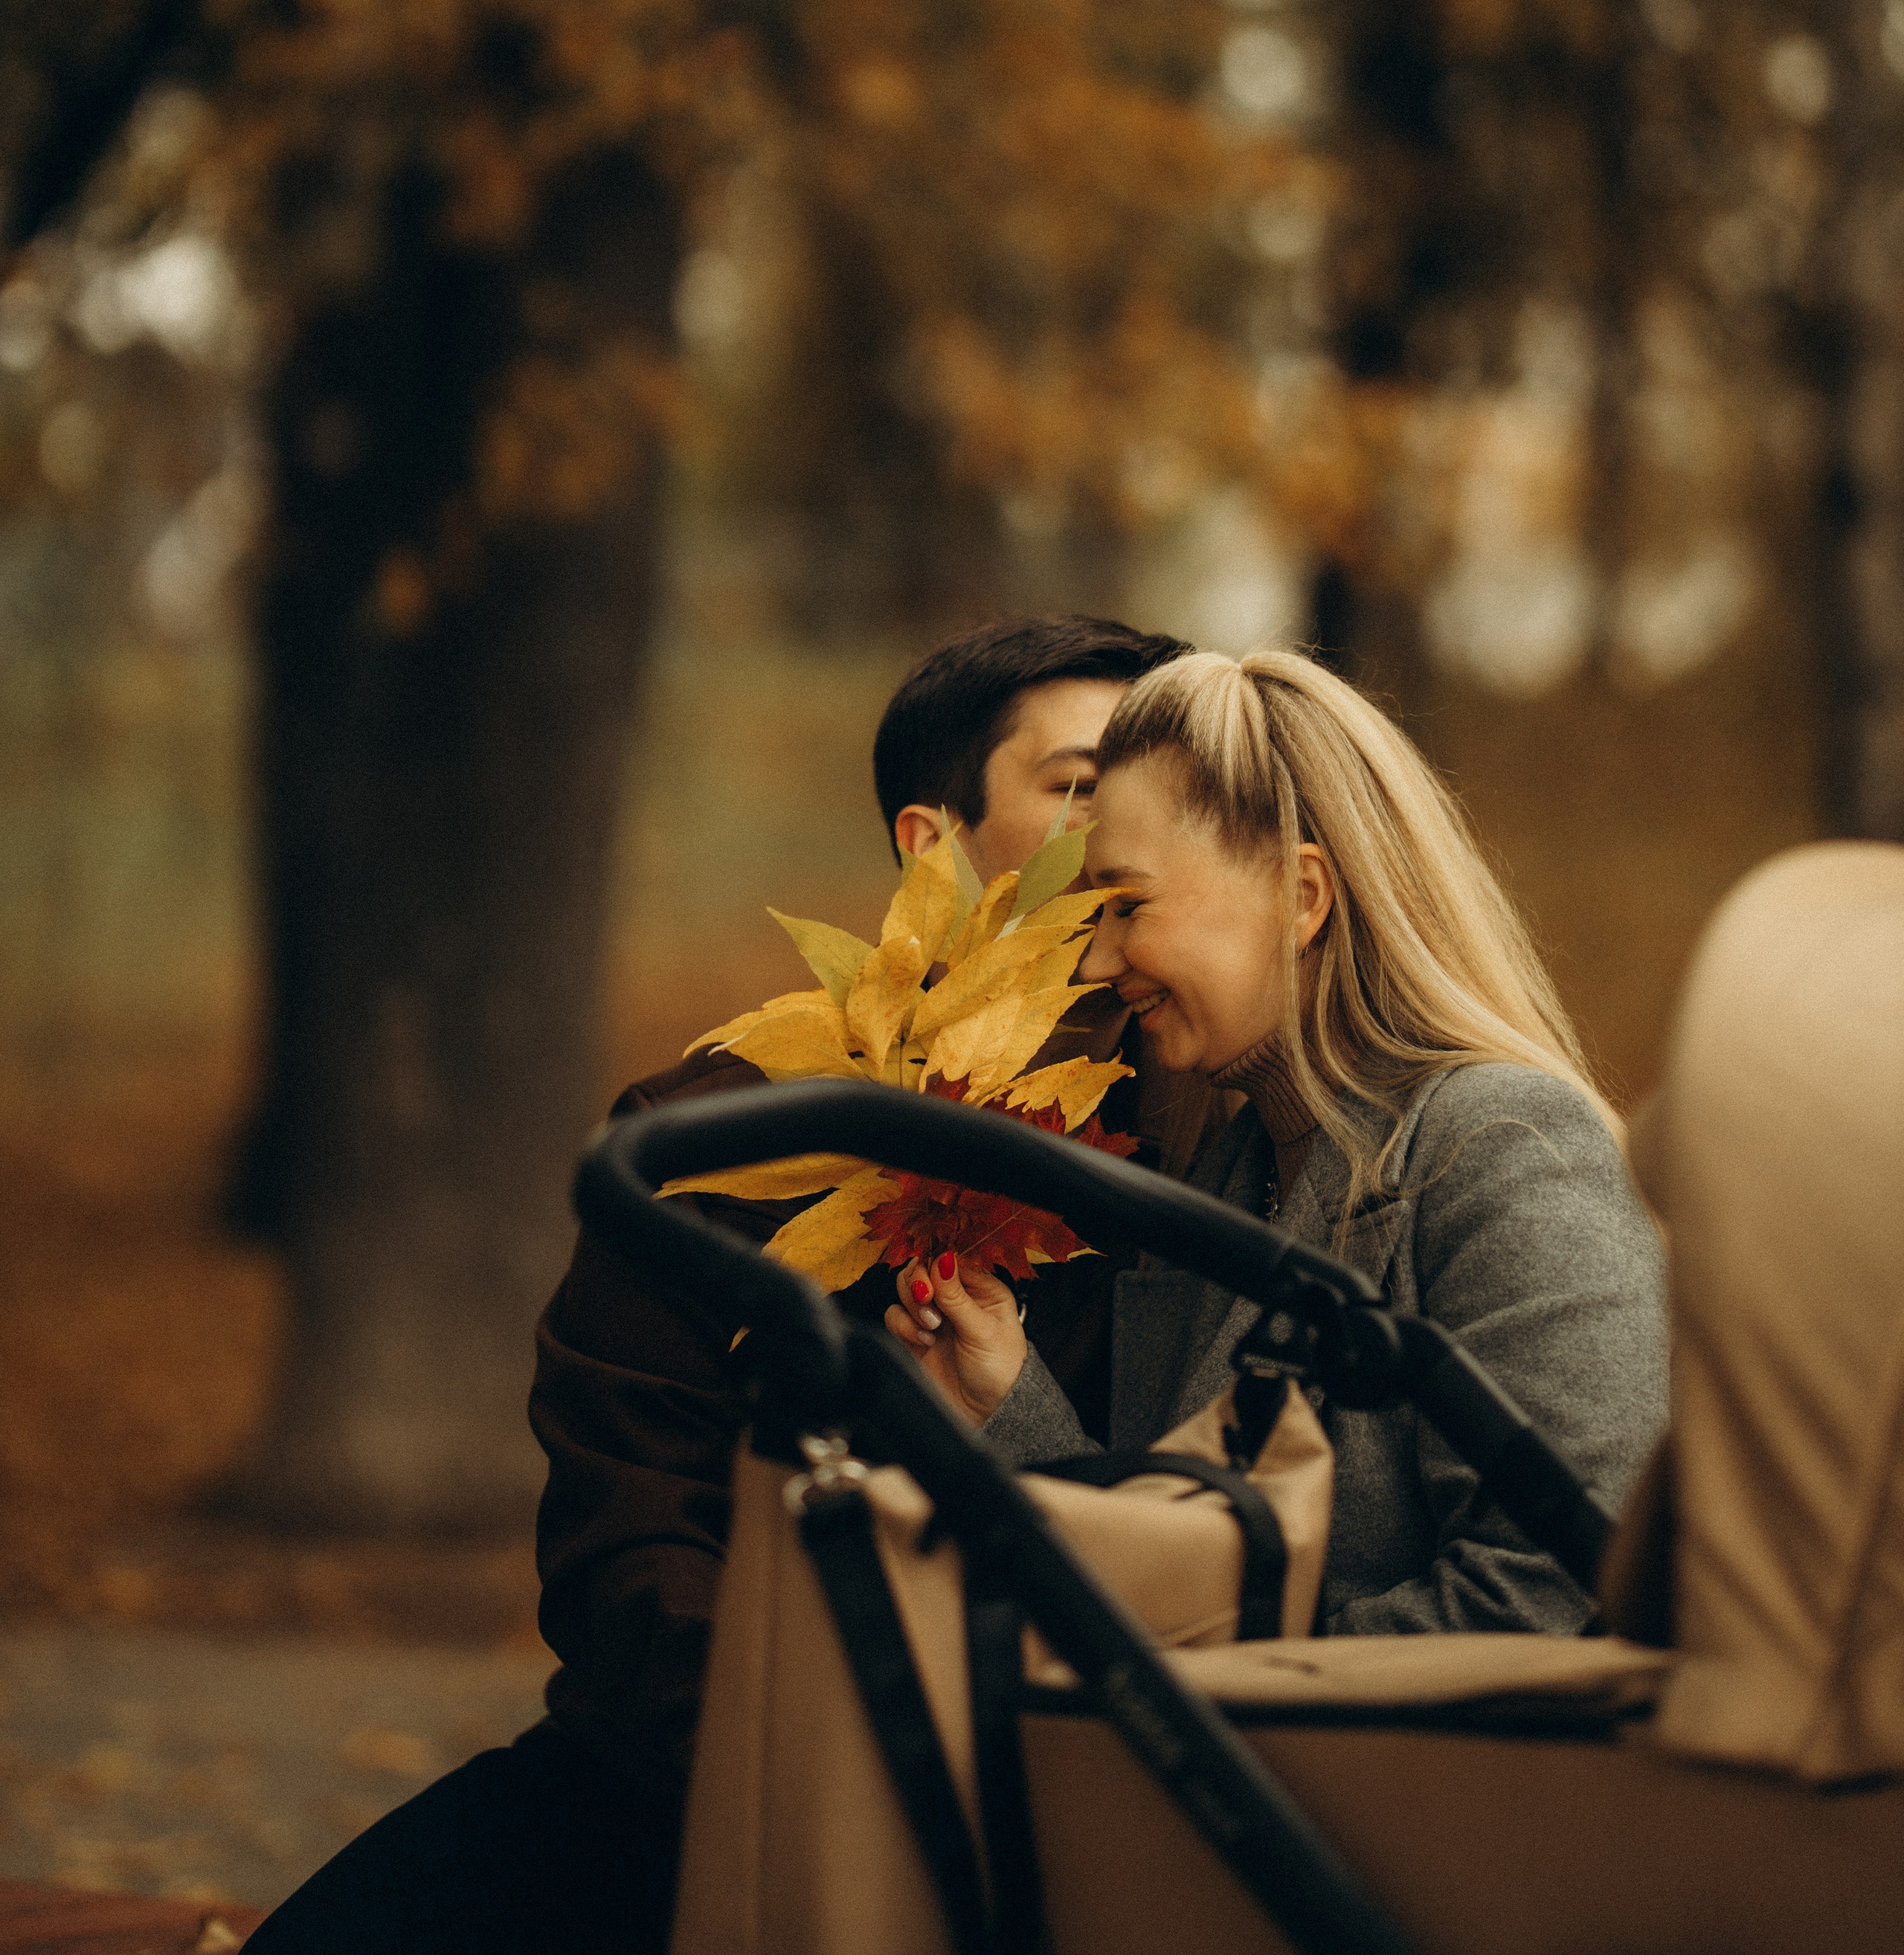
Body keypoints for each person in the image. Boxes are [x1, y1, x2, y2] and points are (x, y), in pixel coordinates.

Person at [247, 611, 1186, 1951]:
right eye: (1084, 789)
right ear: (932, 843)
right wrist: (784, 1791)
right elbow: (628, 1541)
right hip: (702, 1773)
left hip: (1065, 1810)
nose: (1130, 844)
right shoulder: (715, 1135)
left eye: (1166, 796)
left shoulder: (1209, 1158)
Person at [887, 646, 1670, 1636]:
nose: (1099, 955)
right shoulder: (1225, 1181)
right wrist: (1010, 1403)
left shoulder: (1504, 1148)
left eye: (1128, 905)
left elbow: (1570, 1586)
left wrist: (1244, 1694)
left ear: (1303, 896)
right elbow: (1184, 1572)